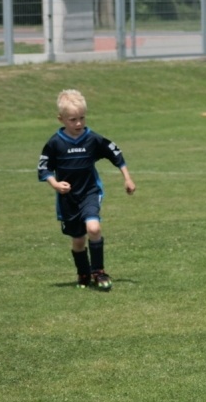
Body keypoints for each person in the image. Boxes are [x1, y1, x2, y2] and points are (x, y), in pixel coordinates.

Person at [37, 89, 136, 290]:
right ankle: (83, 273)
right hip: (68, 198)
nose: (79, 123)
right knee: (78, 240)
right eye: (73, 119)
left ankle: (98, 271)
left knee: (94, 228)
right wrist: (55, 184)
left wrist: (127, 178)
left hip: (90, 192)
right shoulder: (55, 143)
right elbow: (44, 168)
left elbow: (115, 154)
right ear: (61, 119)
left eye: (82, 118)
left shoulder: (92, 139)